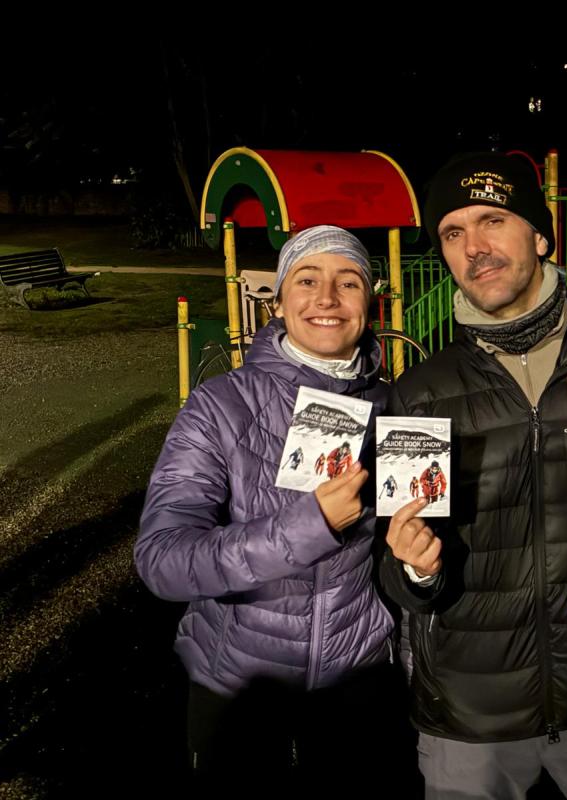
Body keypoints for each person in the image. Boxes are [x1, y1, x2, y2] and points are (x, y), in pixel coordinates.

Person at [378, 152, 567, 799]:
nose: (473, 246)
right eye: (452, 232)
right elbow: (395, 574)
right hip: (469, 718)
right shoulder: (419, 392)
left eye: (492, 220)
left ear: (540, 236)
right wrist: (415, 569)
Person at [135, 225, 416, 793]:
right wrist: (308, 526)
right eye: (307, 281)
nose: (327, 298)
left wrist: (420, 567)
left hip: (358, 681)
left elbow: (406, 552)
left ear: (370, 304)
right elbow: (161, 560)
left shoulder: (398, 407)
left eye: (348, 282)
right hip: (240, 685)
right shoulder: (218, 406)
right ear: (280, 302)